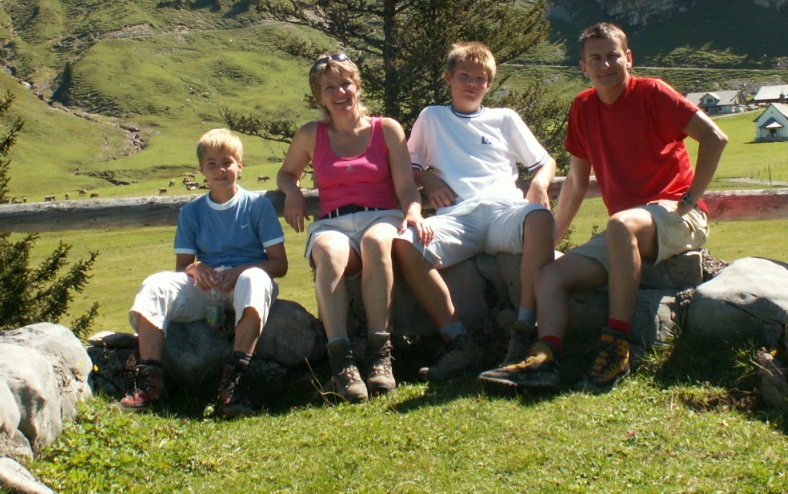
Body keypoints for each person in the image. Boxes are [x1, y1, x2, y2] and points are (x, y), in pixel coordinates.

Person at [480, 22, 728, 393]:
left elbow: (715, 137)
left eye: (613, 55)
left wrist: (690, 200)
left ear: (628, 58)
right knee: (550, 276)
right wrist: (551, 242)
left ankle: (616, 348)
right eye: (595, 58)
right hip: (627, 228)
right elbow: (577, 183)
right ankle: (544, 358)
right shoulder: (583, 107)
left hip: (677, 216)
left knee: (620, 224)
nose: (605, 64)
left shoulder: (652, 93)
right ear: (584, 67)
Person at [393, 42, 557, 380]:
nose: (472, 83)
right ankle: (458, 340)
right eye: (464, 76)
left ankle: (524, 331)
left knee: (541, 218)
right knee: (405, 243)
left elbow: (545, 162)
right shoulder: (432, 117)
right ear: (448, 78)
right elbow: (407, 164)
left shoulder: (505, 119)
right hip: (457, 216)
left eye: (480, 78)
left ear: (489, 84)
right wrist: (427, 178)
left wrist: (539, 185)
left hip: (503, 210)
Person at [277, 53, 430, 403]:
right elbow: (286, 173)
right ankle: (341, 361)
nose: (339, 92)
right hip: (332, 221)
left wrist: (413, 212)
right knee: (328, 253)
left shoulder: (386, 129)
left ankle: (380, 356)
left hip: (382, 216)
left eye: (346, 83)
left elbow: (406, 184)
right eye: (329, 87)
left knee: (377, 244)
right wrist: (292, 191)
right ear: (320, 97)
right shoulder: (310, 134)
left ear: (358, 86)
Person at [119, 128, 287, 417]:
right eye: (212, 164)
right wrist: (195, 267)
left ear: (240, 166)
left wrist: (240, 271)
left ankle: (235, 379)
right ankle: (150, 380)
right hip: (207, 287)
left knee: (255, 279)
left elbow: (279, 265)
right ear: (202, 171)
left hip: (245, 284)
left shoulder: (257, 206)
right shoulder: (191, 212)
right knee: (154, 284)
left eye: (227, 162)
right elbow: (182, 266)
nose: (220, 170)